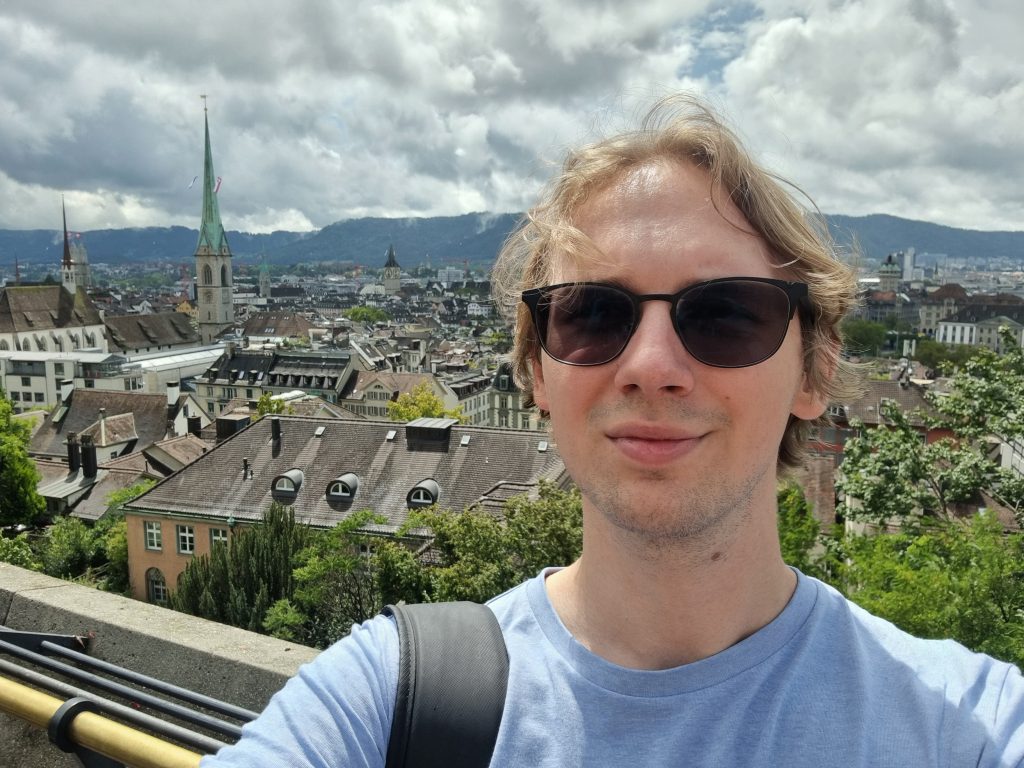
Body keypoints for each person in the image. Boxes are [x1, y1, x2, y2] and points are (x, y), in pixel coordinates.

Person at [202, 94, 1024, 766]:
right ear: (536, 372)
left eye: (727, 314)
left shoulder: (973, 728)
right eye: (593, 314)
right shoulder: (388, 700)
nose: (652, 365)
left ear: (812, 372)